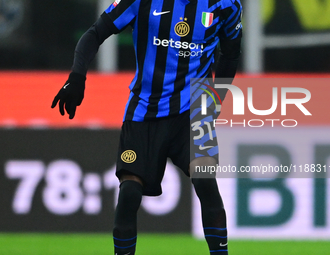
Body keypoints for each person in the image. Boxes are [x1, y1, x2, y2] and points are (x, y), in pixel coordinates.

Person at [51, 0, 242, 254]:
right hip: (145, 108)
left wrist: (216, 102)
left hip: (196, 107)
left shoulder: (226, 5)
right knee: (129, 193)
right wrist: (76, 77)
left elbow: (230, 53)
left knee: (205, 180)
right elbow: (95, 33)